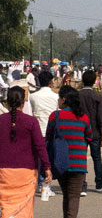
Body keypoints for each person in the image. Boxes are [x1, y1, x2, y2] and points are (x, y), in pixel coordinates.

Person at [0, 86, 52, 218]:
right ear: (23, 103)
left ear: (7, 102)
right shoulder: (31, 122)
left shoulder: (1, 120)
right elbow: (40, 146)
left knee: (6, 204)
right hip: (27, 171)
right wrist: (47, 167)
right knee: (24, 206)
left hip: (3, 171)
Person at [46, 85, 93, 218]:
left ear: (64, 99)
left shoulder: (54, 116)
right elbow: (89, 136)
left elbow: (48, 138)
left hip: (60, 163)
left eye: (59, 98)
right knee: (73, 198)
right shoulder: (83, 117)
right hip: (78, 164)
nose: (58, 101)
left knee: (67, 196)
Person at [28, 69, 59, 198]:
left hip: (37, 130)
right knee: (49, 158)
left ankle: (41, 183)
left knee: (40, 159)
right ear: (51, 82)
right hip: (51, 130)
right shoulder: (55, 97)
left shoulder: (33, 96)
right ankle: (46, 186)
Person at [78, 70, 102, 193]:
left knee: (81, 158)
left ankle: (82, 185)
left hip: (80, 131)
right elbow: (101, 118)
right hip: (94, 130)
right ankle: (99, 181)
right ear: (94, 81)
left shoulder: (78, 96)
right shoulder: (97, 96)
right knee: (96, 157)